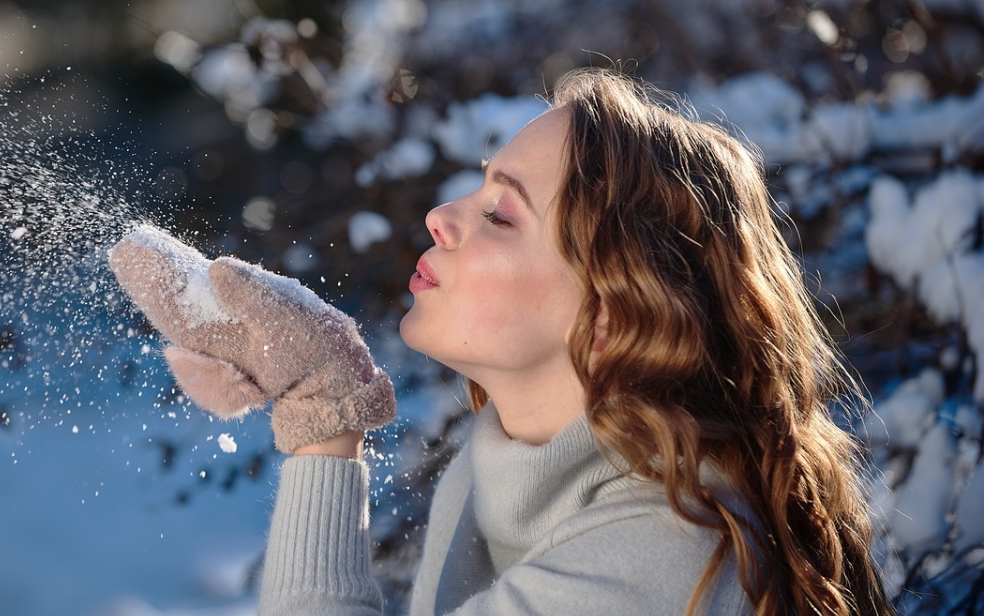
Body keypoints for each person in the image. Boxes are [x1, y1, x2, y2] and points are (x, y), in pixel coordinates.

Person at [109, 68, 893, 615]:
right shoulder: (517, 473)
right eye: (479, 187)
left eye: (501, 214)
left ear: (611, 314)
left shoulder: (660, 557)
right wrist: (322, 404)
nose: (441, 216)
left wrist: (322, 414)